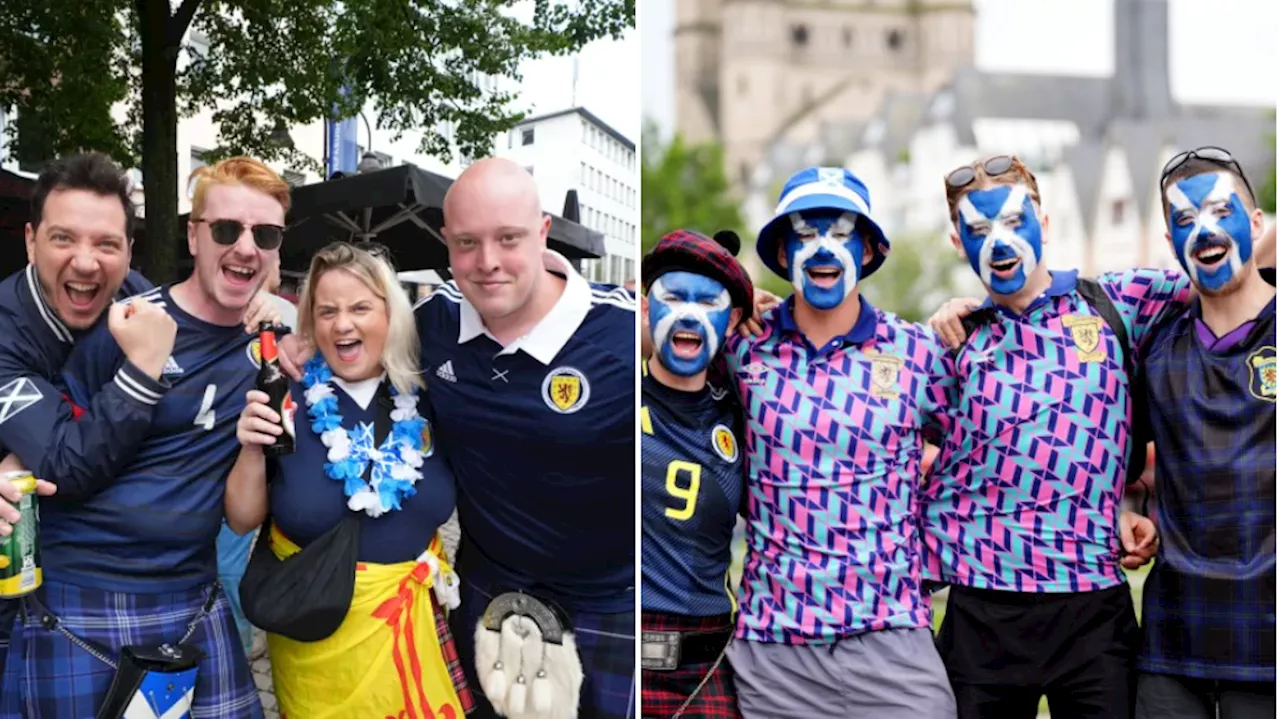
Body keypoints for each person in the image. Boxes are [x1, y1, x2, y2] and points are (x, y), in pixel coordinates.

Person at [0, 156, 291, 717]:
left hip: (193, 599)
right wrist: (12, 457)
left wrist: (291, 319)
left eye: (267, 234)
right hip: (77, 600)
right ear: (194, 233)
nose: (246, 247)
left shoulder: (270, 347)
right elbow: (62, 455)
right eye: (226, 229)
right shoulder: (126, 330)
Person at [919, 154, 1186, 719]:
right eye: (979, 230)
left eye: (1014, 222)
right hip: (983, 615)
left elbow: (1232, 279)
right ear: (956, 242)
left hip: (1092, 610)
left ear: (1044, 219)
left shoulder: (1118, 301)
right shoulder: (951, 344)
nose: (999, 241)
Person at [720, 167, 958, 718]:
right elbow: (654, 353)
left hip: (893, 639)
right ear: (780, 251)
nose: (821, 246)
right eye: (804, 233)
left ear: (869, 247)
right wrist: (725, 298)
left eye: (839, 230)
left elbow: (988, 446)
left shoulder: (918, 351)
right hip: (774, 650)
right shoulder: (741, 346)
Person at [414, 158, 636, 718]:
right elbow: (351, 338)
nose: (487, 263)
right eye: (467, 242)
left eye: (508, 238)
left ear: (542, 234)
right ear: (446, 243)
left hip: (609, 603)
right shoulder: (429, 323)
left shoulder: (626, 332)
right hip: (490, 587)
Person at [225, 241, 472, 718]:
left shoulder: (429, 395)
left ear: (390, 315)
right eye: (327, 311)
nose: (343, 324)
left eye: (360, 307)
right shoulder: (284, 393)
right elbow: (240, 520)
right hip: (317, 650)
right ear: (310, 322)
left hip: (415, 633)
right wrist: (251, 447)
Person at [1130, 148, 1275, 719]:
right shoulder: (1156, 345)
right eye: (1185, 221)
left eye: (1221, 211)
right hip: (1173, 648)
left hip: (1270, 648)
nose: (1205, 230)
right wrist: (1128, 512)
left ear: (1256, 223)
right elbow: (1121, 464)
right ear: (1171, 246)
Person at [639, 229, 753, 718]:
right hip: (625, 641)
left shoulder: (743, 411)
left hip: (709, 658)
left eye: (708, 302)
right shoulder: (616, 388)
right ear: (647, 309)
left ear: (731, 321)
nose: (688, 313)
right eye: (672, 297)